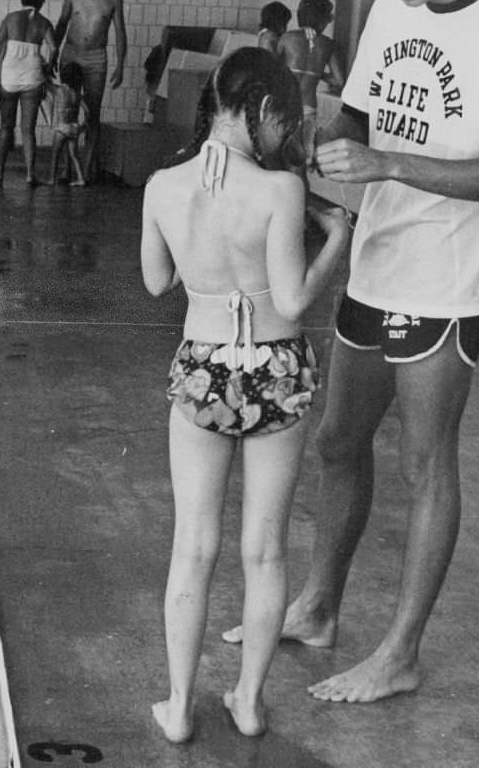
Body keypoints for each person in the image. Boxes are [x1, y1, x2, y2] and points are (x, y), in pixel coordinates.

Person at [224, 0, 479, 705]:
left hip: (447, 282)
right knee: (339, 441)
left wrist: (388, 164)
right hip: (378, 258)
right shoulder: (391, 8)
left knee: (424, 461)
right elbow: (361, 117)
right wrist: (318, 150)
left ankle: (401, 651)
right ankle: (320, 608)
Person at [142, 47, 351, 742]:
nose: (283, 139)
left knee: (192, 547)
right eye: (282, 124)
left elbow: (154, 281)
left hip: (203, 366)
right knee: (264, 550)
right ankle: (249, 702)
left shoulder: (163, 186)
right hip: (275, 370)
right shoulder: (280, 191)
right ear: (261, 109)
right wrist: (338, 238)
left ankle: (177, 709)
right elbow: (290, 302)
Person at [54, 0, 127, 183]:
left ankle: (85, 169)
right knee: (69, 111)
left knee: (92, 112)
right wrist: (53, 51)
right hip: (72, 52)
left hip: (96, 56)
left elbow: (120, 32)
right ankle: (67, 168)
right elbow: (62, 23)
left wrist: (120, 65)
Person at [0, 0, 55, 185]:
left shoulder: (11, 18)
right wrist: (47, 67)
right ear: (41, 2)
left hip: (9, 76)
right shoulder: (44, 22)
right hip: (32, 76)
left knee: (6, 126)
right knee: (28, 130)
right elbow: (53, 48)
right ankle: (29, 174)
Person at [277, 0, 345, 159]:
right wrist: (317, 73)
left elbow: (272, 70)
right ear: (322, 19)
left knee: (279, 156)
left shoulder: (287, 38)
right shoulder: (329, 44)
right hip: (308, 108)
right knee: (303, 159)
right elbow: (339, 81)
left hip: (284, 104)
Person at [46, 74, 85, 186]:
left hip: (62, 127)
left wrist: (46, 70)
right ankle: (81, 178)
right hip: (74, 127)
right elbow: (87, 111)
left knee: (55, 154)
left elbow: (47, 84)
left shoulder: (59, 90)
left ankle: (51, 179)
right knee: (74, 155)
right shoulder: (77, 94)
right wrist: (83, 125)